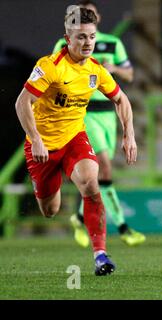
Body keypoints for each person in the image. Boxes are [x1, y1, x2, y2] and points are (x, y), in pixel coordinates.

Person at [15, 6, 137, 275]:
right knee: (50, 209)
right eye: (80, 37)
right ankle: (53, 199)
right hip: (43, 146)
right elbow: (22, 101)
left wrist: (129, 134)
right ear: (67, 39)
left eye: (91, 37)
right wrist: (35, 139)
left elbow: (121, 99)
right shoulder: (50, 66)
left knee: (92, 184)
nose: (87, 43)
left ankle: (101, 255)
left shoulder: (95, 70)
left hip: (74, 139)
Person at [53, 0, 145, 248]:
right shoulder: (64, 45)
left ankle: (80, 218)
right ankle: (123, 227)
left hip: (108, 114)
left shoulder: (112, 44)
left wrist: (112, 68)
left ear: (97, 17)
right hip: (82, 113)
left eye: (90, 15)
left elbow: (129, 74)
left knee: (99, 174)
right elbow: (54, 76)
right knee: (103, 167)